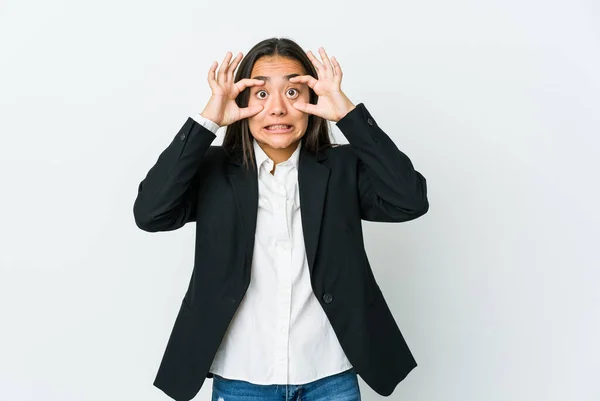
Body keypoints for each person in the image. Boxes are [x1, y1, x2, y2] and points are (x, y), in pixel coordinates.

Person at [133, 37, 429, 401]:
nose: (277, 109)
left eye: (292, 92)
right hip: (243, 376)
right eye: (260, 94)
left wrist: (349, 116)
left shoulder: (342, 167)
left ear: (312, 102)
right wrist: (208, 120)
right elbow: (150, 213)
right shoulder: (211, 170)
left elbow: (410, 201)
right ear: (240, 102)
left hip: (329, 374)